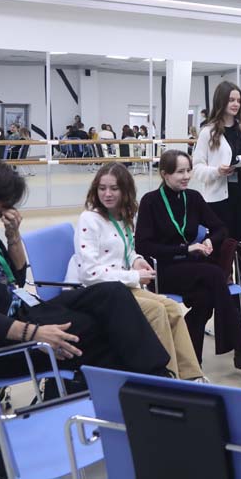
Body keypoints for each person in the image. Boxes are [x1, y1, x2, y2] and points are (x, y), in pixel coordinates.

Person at [0, 158, 172, 382]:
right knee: (106, 329)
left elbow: (17, 278)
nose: (8, 207)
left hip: (24, 311)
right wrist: (34, 333)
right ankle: (156, 380)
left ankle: (156, 375)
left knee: (113, 293)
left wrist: (13, 236)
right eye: (5, 200)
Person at [135, 149, 241, 374]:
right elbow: (144, 246)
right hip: (165, 270)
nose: (186, 176)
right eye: (180, 172)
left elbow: (220, 228)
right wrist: (185, 249)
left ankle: (192, 363)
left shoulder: (193, 198)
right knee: (215, 275)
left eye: (188, 170)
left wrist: (209, 240)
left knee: (205, 299)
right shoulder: (151, 201)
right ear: (164, 174)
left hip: (192, 267)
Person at [68, 163, 205, 381]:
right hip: (96, 292)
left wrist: (137, 260)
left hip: (119, 287)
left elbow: (127, 250)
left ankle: (192, 376)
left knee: (171, 308)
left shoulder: (122, 217)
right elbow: (89, 273)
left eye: (114, 188)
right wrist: (134, 276)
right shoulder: (89, 219)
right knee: (156, 310)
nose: (107, 194)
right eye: (102, 188)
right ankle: (167, 378)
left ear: (125, 191)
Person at [192, 81, 241, 322]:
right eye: (231, 99)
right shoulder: (208, 132)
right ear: (221, 101)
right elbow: (197, 168)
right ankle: (223, 310)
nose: (235, 104)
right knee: (221, 256)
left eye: (238, 100)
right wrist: (217, 171)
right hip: (218, 203)